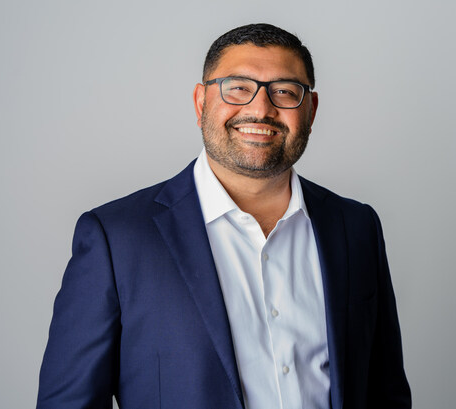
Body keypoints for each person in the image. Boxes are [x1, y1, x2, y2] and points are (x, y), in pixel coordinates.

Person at [37, 23, 411, 409]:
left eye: (284, 91)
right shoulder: (117, 239)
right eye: (238, 88)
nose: (260, 109)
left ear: (311, 110)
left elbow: (385, 393)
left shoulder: (356, 227)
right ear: (201, 103)